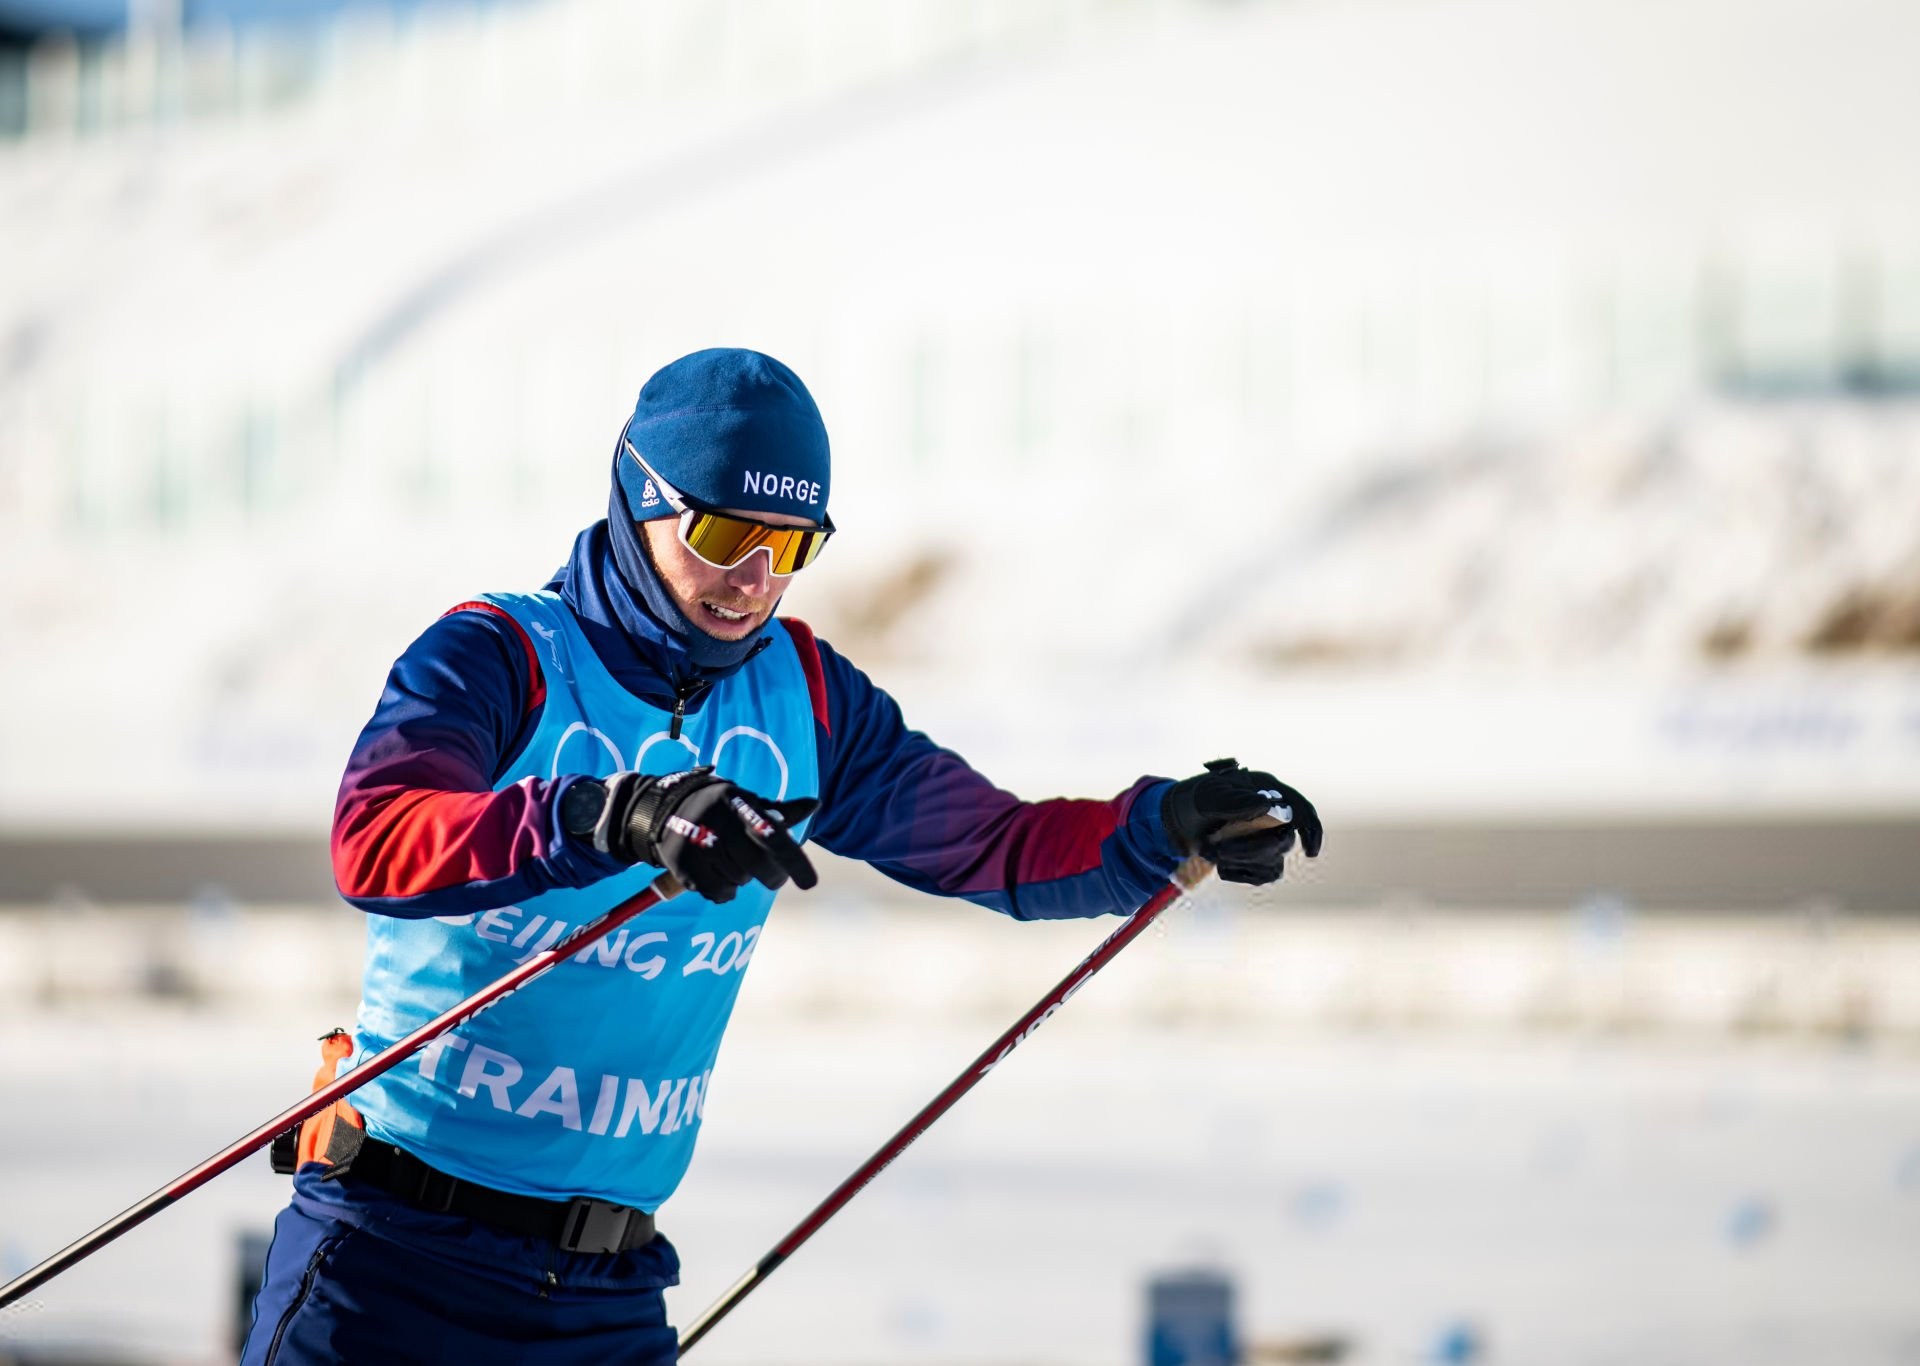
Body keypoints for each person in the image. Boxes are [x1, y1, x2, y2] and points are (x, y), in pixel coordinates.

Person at [239, 348, 1321, 1364]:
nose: (755, 579)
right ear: (639, 501)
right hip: (390, 1256)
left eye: (793, 546)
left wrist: (1163, 826)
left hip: (603, 1295)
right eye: (723, 536)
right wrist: (609, 815)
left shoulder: (803, 697)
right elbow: (377, 836)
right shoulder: (501, 653)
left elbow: (994, 843)